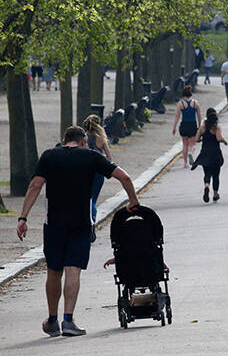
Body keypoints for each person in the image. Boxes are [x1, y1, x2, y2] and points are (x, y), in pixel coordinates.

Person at [17, 125, 139, 337]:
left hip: (53, 223)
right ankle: (68, 321)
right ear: (83, 141)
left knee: (54, 270)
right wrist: (133, 201)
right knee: (73, 269)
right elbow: (125, 177)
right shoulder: (91, 157)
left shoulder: (49, 156)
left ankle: (52, 320)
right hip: (80, 223)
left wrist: (23, 217)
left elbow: (35, 186)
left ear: (65, 140)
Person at [82, 114, 113, 242]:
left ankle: (84, 223)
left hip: (84, 172)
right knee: (93, 200)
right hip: (98, 173)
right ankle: (92, 223)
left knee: (84, 199)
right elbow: (110, 158)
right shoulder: (101, 139)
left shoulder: (81, 138)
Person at [191, 108, 228, 203]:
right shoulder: (216, 127)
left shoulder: (202, 127)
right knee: (216, 175)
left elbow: (197, 139)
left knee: (207, 173)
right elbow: (219, 138)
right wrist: (224, 141)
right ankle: (215, 194)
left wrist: (202, 139)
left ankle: (206, 186)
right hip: (215, 153)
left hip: (205, 153)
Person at [172, 85, 202, 169]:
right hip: (192, 124)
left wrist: (174, 127)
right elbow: (199, 115)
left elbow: (177, 116)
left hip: (184, 124)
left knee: (184, 144)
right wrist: (199, 126)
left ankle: (185, 163)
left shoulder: (180, 104)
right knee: (192, 144)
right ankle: (191, 153)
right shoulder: (195, 103)